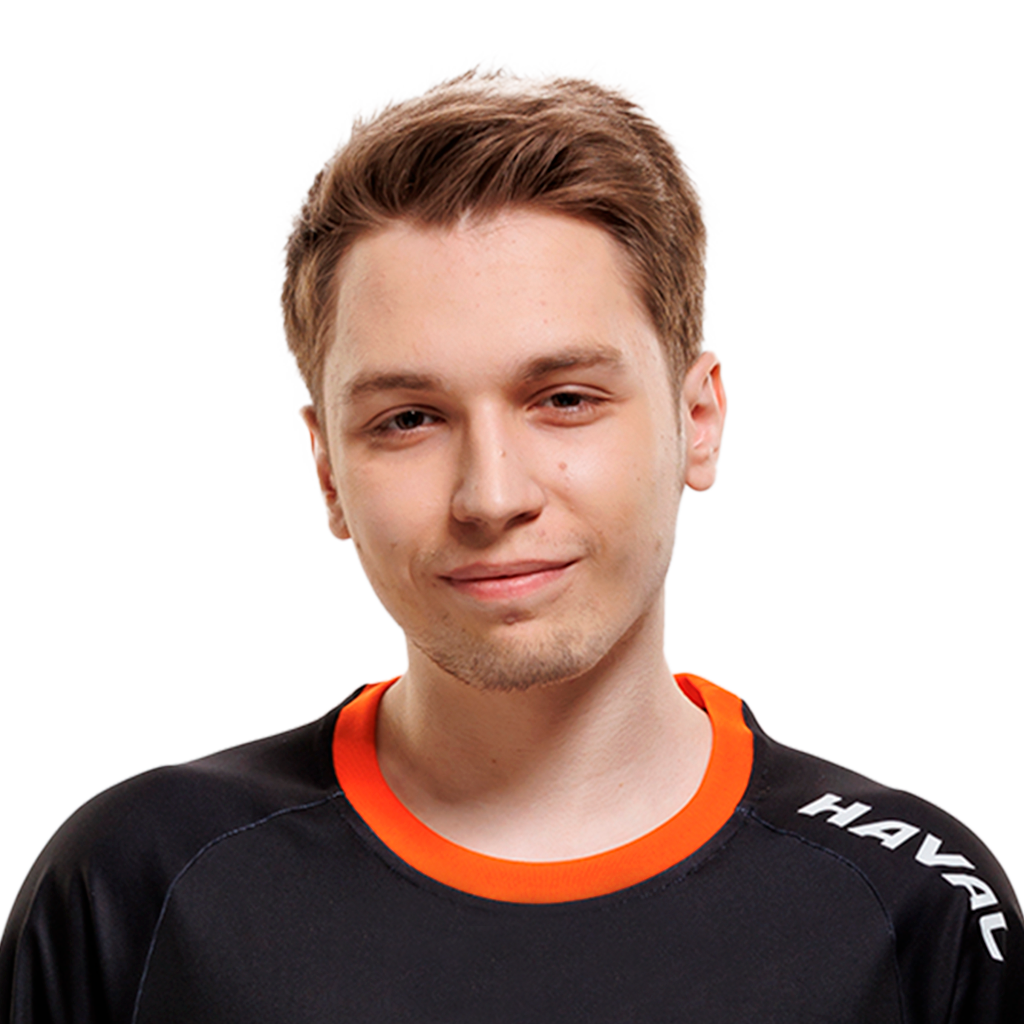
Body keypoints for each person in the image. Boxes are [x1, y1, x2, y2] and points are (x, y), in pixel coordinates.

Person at [1, 66, 1021, 1023]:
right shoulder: (138, 885)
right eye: (408, 418)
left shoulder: (911, 901)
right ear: (327, 470)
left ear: (698, 420)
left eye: (565, 399)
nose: (491, 496)